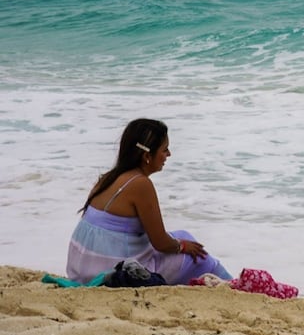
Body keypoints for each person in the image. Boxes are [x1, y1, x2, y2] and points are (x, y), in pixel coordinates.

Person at [67, 118, 232, 285]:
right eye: (165, 149)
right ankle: (234, 285)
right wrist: (182, 247)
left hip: (82, 269)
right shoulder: (140, 184)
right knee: (199, 259)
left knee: (183, 236)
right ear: (147, 156)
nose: (169, 155)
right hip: (112, 273)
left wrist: (181, 243)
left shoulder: (108, 178)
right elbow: (160, 242)